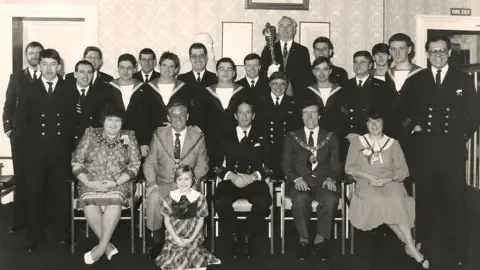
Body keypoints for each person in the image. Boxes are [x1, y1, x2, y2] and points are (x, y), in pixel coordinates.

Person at [402, 36, 478, 268]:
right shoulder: (416, 80)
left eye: (442, 51)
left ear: (449, 53)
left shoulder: (462, 80)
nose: (438, 55)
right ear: (426, 54)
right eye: (433, 51)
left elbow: (475, 114)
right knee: (425, 201)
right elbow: (402, 111)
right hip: (424, 153)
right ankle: (424, 244)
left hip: (451, 152)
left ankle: (458, 251)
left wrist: (460, 135)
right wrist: (411, 129)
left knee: (455, 201)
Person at [344, 108, 427, 268]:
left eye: (378, 121)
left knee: (395, 199)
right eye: (370, 121)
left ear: (383, 123)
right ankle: (410, 245)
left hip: (389, 183)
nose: (374, 125)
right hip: (366, 183)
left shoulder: (393, 143)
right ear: (366, 124)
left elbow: (403, 170)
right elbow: (350, 168)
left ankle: (409, 245)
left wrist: (387, 179)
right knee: (379, 200)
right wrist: (369, 177)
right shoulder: (357, 142)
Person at [16, 48, 77, 252]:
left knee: (61, 193)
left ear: (59, 66)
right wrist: (25, 154)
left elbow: (72, 122)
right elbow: (21, 124)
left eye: (53, 64)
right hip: (36, 152)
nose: (49, 68)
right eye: (45, 64)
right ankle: (34, 236)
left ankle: (62, 233)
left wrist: (72, 149)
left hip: (61, 150)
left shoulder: (69, 88)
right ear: (38, 65)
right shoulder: (28, 88)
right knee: (35, 194)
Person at [71, 103, 140, 264]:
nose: (113, 124)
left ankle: (100, 249)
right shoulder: (90, 134)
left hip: (117, 183)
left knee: (114, 201)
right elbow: (76, 161)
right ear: (103, 121)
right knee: (89, 201)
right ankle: (107, 246)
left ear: (123, 122)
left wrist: (115, 182)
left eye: (117, 120)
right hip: (91, 181)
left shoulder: (128, 136)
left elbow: (135, 166)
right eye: (110, 119)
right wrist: (88, 181)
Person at [143, 100, 208, 259]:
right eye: (174, 115)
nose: (178, 119)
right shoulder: (159, 134)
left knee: (190, 199)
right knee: (153, 198)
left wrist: (191, 182)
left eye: (182, 115)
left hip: (187, 184)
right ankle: (157, 239)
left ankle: (189, 242)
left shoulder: (198, 136)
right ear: (168, 117)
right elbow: (150, 161)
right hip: (164, 183)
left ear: (188, 116)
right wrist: (151, 183)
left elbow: (203, 165)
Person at [281, 101, 341, 260]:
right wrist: (297, 179)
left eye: (313, 112)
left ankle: (321, 241)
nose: (309, 116)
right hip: (300, 181)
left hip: (323, 181)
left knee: (330, 199)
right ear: (301, 116)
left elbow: (336, 165)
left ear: (319, 115)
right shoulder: (292, 137)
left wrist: (331, 178)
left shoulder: (330, 137)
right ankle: (304, 241)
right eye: (306, 113)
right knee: (300, 200)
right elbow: (285, 163)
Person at [213, 99, 272, 259]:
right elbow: (215, 163)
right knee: (220, 202)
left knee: (262, 202)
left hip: (254, 180)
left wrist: (254, 176)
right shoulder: (225, 135)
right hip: (232, 179)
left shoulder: (262, 135)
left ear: (253, 116)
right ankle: (235, 237)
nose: (244, 116)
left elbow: (270, 163)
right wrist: (231, 175)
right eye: (241, 112)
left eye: (248, 112)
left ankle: (247, 238)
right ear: (235, 115)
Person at [2, 41, 43, 234]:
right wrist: (9, 129)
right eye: (31, 52)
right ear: (26, 55)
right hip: (20, 138)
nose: (34, 56)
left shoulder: (50, 76)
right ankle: (20, 221)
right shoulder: (17, 77)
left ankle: (43, 220)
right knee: (22, 178)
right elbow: (8, 106)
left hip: (43, 137)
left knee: (42, 178)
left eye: (38, 53)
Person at [129, 51, 196, 158]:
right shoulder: (147, 88)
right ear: (159, 66)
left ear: (176, 69)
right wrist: (143, 142)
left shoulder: (184, 88)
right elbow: (142, 117)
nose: (167, 69)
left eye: (171, 66)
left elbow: (189, 115)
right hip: (152, 137)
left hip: (178, 135)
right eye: (164, 65)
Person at [155, 165, 220, 270]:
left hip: (193, 236)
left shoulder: (199, 198)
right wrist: (177, 239)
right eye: (179, 179)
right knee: (175, 260)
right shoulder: (169, 197)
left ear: (193, 180)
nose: (183, 183)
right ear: (175, 181)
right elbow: (167, 221)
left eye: (187, 179)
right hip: (174, 236)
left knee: (195, 259)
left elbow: (201, 221)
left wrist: (191, 239)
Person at [338, 51, 394, 161]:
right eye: (355, 62)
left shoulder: (381, 87)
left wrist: (368, 136)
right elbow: (339, 114)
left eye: (362, 62)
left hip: (372, 138)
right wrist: (347, 133)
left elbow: (386, 114)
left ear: (370, 65)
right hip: (349, 138)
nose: (358, 65)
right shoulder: (344, 86)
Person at [202, 57, 251, 173]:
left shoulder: (243, 92)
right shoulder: (206, 92)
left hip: (235, 141)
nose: (225, 72)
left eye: (229, 69)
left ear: (234, 73)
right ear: (216, 72)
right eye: (221, 69)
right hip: (211, 141)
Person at [255, 71, 300, 180]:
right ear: (269, 84)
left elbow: (296, 129)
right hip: (265, 149)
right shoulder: (260, 102)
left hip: (286, 150)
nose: (278, 87)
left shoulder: (294, 103)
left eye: (282, 83)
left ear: (287, 85)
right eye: (275, 83)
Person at [260, 16, 314, 96]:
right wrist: (268, 74)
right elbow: (261, 74)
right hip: (273, 96)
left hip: (296, 96)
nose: (285, 29)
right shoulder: (268, 49)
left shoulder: (302, 50)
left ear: (294, 30)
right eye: (281, 26)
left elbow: (307, 77)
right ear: (278, 29)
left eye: (288, 26)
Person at [385, 33, 422, 148]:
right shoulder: (388, 74)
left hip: (413, 132)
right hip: (390, 132)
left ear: (409, 49)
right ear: (390, 51)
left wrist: (417, 124)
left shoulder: (421, 74)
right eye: (393, 49)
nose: (397, 53)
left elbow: (424, 104)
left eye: (401, 48)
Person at [70, 60, 116, 147]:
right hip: (68, 144)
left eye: (89, 72)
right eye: (82, 72)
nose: (85, 76)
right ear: (75, 74)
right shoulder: (66, 92)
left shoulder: (101, 95)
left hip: (92, 144)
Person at [296, 56, 344, 135]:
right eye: (317, 69)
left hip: (336, 136)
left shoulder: (341, 92)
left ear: (330, 71)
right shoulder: (306, 93)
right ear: (313, 72)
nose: (321, 73)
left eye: (325, 69)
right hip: (313, 135)